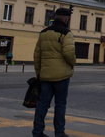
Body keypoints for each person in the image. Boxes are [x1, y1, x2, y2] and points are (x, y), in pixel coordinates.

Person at [32, 8, 76, 137]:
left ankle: (37, 132)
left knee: (42, 105)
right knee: (60, 105)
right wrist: (72, 63)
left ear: (55, 17)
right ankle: (59, 133)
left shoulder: (43, 33)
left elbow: (37, 55)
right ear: (66, 18)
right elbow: (69, 53)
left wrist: (39, 73)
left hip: (45, 76)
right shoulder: (66, 33)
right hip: (61, 76)